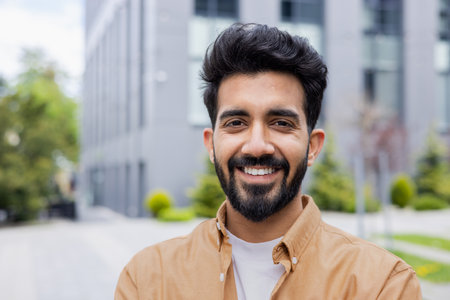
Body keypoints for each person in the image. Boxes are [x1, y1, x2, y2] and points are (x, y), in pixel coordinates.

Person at [115, 23, 422, 300]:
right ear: (211, 144)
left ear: (313, 147)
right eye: (236, 122)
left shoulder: (383, 285)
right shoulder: (147, 281)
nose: (257, 146)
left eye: (281, 123)